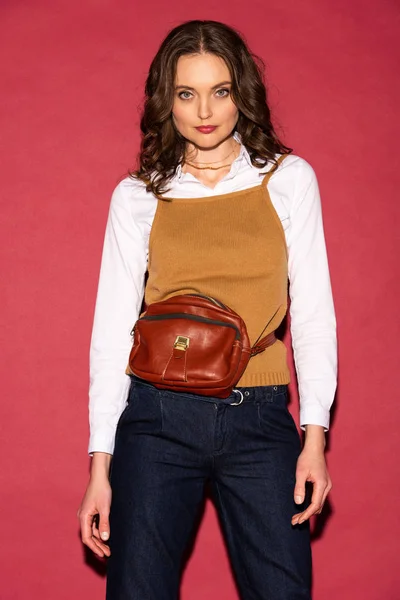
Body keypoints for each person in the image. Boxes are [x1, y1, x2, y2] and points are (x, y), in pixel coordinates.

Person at [77, 19, 337, 600]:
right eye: (186, 93)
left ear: (240, 92)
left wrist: (314, 437)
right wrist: (101, 465)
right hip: (157, 420)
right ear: (165, 101)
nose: (204, 111)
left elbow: (315, 312)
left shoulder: (288, 181)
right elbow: (111, 332)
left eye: (219, 90)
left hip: (261, 418)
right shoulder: (139, 195)